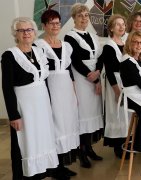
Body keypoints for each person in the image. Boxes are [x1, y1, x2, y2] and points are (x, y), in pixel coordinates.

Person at [1, 17, 58, 179]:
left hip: (42, 105)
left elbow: (44, 81)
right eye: (21, 30)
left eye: (29, 30)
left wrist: (49, 105)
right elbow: (6, 87)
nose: (26, 33)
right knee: (25, 143)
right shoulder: (9, 56)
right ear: (15, 34)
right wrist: (13, 115)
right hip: (24, 108)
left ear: (34, 32)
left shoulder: (38, 52)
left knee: (41, 140)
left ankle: (39, 174)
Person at [34, 9, 79, 179]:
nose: (55, 26)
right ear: (44, 25)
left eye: (58, 23)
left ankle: (61, 165)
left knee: (66, 124)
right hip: (51, 88)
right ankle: (53, 167)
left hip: (66, 89)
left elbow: (69, 71)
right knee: (54, 126)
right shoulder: (38, 46)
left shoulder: (66, 46)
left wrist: (74, 93)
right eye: (51, 23)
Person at [64, 3, 104, 168]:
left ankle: (89, 147)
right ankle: (81, 151)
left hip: (94, 76)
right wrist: (93, 78)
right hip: (82, 80)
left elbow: (101, 56)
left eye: (86, 15)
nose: (84, 18)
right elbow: (75, 61)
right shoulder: (70, 36)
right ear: (74, 18)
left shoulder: (92, 35)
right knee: (83, 116)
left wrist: (99, 71)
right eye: (80, 15)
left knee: (92, 115)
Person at [99, 14, 129, 159]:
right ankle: (118, 146)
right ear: (111, 28)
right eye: (117, 24)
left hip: (125, 82)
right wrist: (117, 91)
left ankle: (126, 143)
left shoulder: (125, 44)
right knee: (116, 113)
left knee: (125, 114)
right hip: (115, 84)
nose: (121, 26)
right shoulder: (108, 46)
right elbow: (110, 71)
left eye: (123, 24)